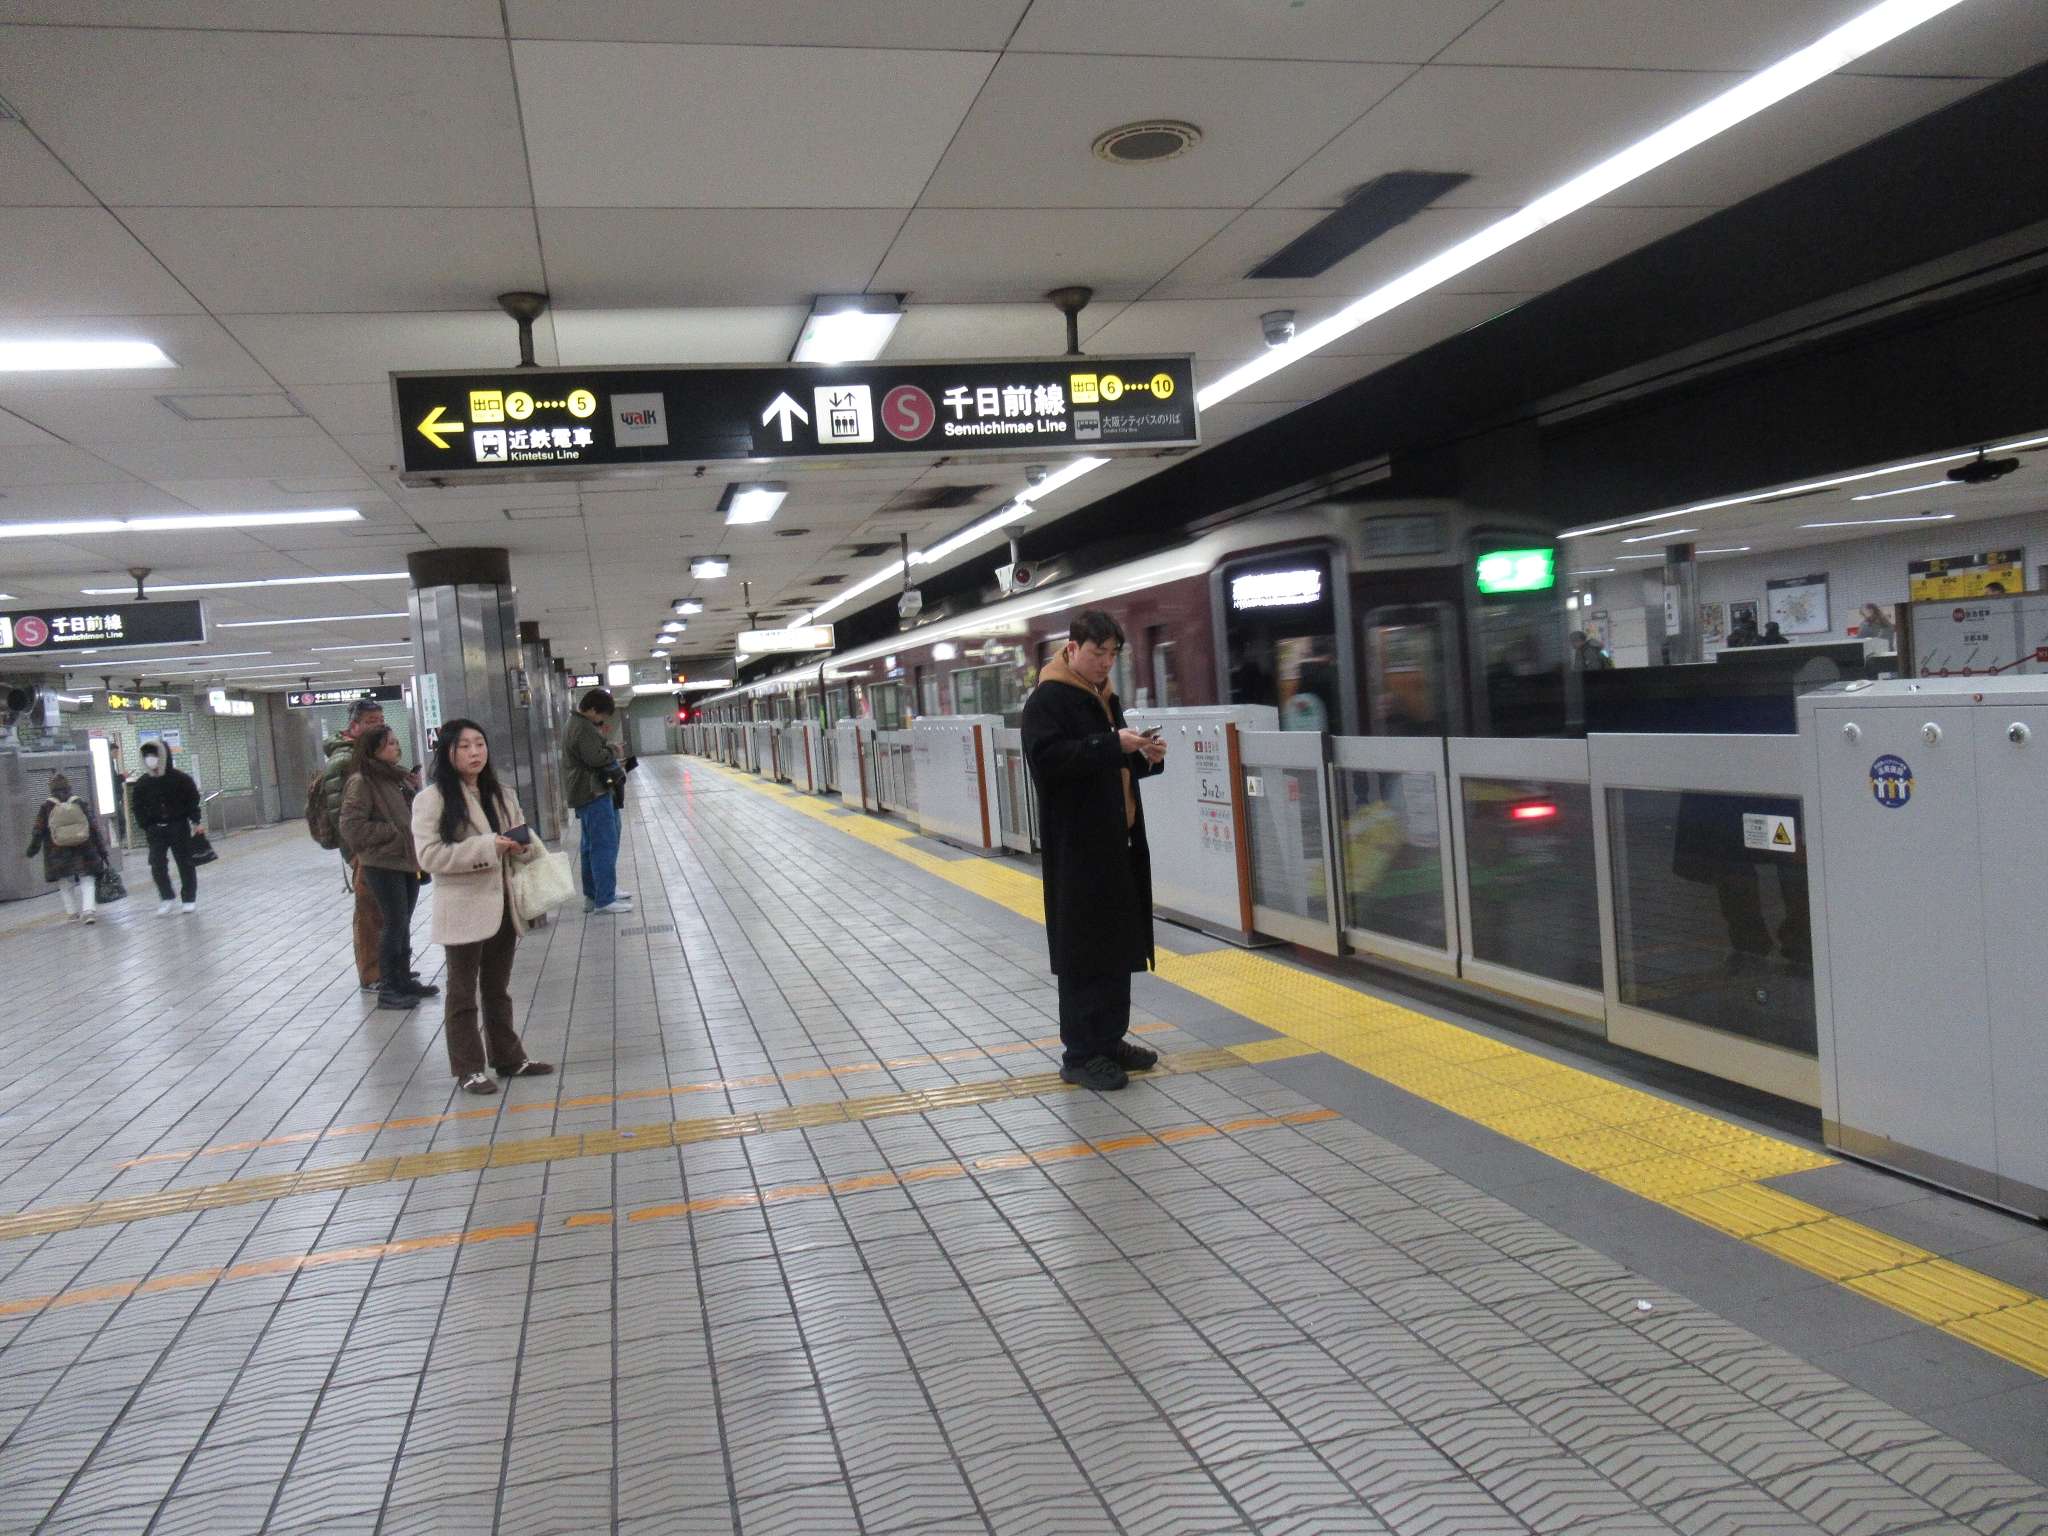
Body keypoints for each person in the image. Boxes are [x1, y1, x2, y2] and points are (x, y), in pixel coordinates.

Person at [1021, 610, 1168, 1092]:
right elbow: (1050, 762)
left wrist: (1141, 756)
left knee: (1115, 943)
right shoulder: (1048, 700)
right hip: (1077, 848)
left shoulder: (1103, 698)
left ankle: (1109, 1040)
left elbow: (1111, 761)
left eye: (1113, 654)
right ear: (1072, 648)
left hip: (1116, 842)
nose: (1106, 662)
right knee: (1084, 948)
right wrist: (1111, 744)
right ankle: (1080, 1053)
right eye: (1097, 652)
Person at [413, 719, 555, 1094]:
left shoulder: (502, 793)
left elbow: (519, 836)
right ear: (447, 752)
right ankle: (468, 1068)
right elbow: (429, 856)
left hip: (503, 906)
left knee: (498, 988)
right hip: (462, 909)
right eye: (464, 746)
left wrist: (522, 847)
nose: (475, 752)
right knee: (461, 992)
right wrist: (487, 848)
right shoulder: (431, 800)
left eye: (480, 743)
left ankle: (509, 1058)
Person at [338, 725, 439, 1011]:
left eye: (396, 742)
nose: (396, 747)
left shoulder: (395, 777)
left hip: (406, 860)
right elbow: (351, 826)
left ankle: (403, 978)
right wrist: (392, 833)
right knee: (393, 923)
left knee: (403, 922)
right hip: (382, 862)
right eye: (390, 744)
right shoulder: (362, 781)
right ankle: (389, 987)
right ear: (373, 750)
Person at [321, 698, 390, 991]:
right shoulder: (344, 761)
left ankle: (389, 968)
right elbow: (342, 814)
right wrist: (354, 853)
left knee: (386, 910)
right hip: (363, 850)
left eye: (380, 721)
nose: (379, 727)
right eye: (371, 722)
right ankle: (372, 973)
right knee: (369, 912)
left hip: (381, 846)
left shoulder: (370, 756)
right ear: (355, 725)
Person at [562, 688, 632, 914]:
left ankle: (595, 895)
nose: (601, 720)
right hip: (593, 791)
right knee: (604, 844)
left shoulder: (574, 724)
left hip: (585, 791)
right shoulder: (582, 727)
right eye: (601, 715)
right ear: (592, 709)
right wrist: (612, 749)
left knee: (590, 846)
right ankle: (604, 898)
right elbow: (595, 757)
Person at [26, 773, 110, 924]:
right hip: (84, 848)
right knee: (87, 878)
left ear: (51, 789)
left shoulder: (47, 806)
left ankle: (72, 913)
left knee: (65, 882)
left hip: (58, 851)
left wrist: (32, 849)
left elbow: (38, 830)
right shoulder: (79, 802)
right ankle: (89, 911)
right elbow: (94, 827)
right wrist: (102, 850)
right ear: (69, 787)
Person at [131, 741, 203, 914]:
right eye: (147, 756)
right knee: (157, 864)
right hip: (155, 829)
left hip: (178, 826)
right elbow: (137, 806)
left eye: (154, 755)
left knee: (185, 862)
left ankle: (189, 898)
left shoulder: (180, 779)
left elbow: (192, 800)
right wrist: (146, 824)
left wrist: (196, 821)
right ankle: (166, 896)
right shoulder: (143, 783)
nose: (150, 760)